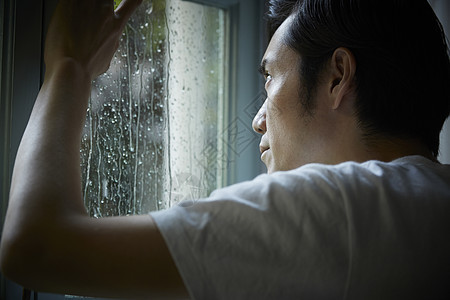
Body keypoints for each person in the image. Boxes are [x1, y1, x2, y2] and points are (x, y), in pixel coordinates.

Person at [1, 0, 449, 298]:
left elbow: (36, 247)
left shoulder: (343, 208)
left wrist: (69, 67)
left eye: (271, 78)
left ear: (336, 77)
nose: (256, 121)